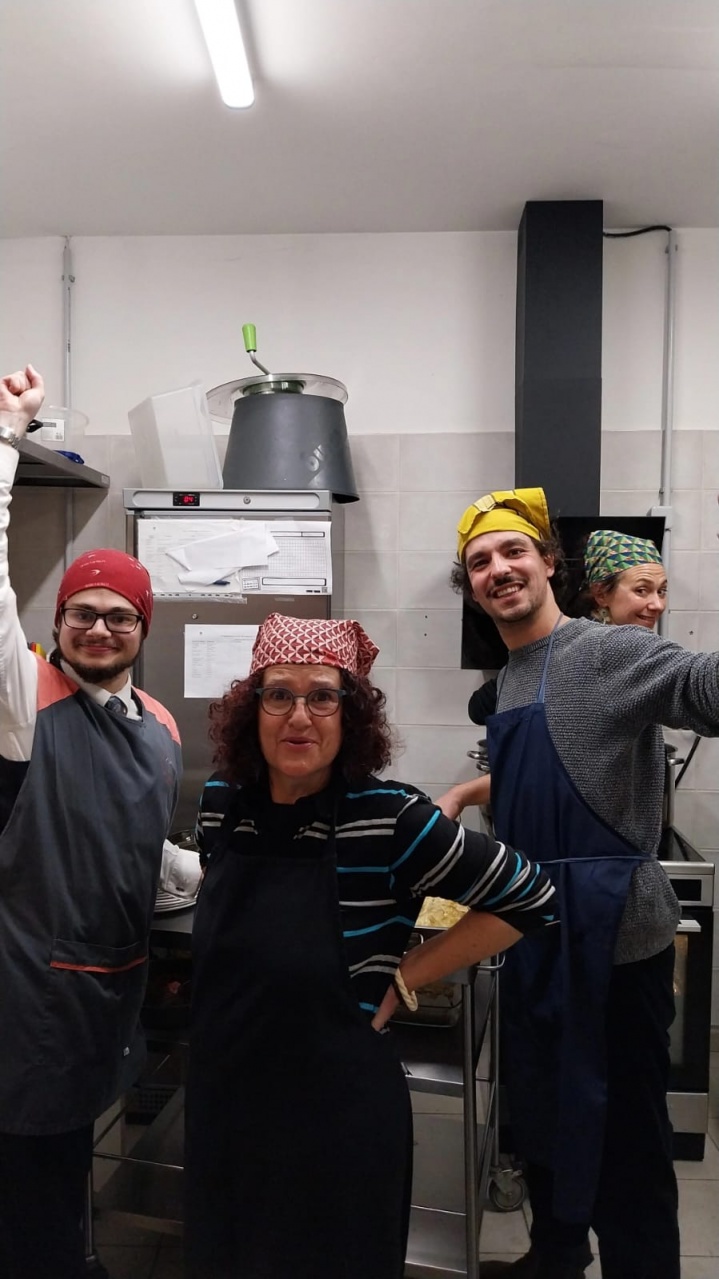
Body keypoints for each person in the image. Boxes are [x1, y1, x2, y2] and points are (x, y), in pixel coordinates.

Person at [184, 612, 558, 1279]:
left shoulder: (390, 817)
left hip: (337, 1116)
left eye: (323, 696)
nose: (300, 716)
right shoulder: (222, 800)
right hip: (227, 1097)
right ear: (252, 708)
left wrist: (409, 974)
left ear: (351, 714)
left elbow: (530, 896)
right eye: (279, 694)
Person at [446, 486, 719, 1279]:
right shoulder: (510, 678)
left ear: (547, 563)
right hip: (533, 933)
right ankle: (556, 1255)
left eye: (512, 551)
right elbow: (549, 773)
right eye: (479, 561)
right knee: (542, 1119)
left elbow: (702, 687)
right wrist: (464, 793)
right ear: (470, 587)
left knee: (627, 1145)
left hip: (615, 943)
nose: (498, 568)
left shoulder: (607, 651)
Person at [0, 366, 182, 1279]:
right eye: (81, 613)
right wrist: (7, 437)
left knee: (71, 1154)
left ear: (143, 627)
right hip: (27, 995)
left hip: (111, 986)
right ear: (57, 619)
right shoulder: (24, 701)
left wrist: (191, 868)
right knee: (27, 1171)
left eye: (118, 615)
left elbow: (137, 835)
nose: (98, 629)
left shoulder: (161, 725)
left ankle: (71, 1255)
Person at [439, 524, 668, 822]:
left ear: (549, 562)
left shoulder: (625, 652)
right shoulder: (570, 657)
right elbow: (537, 771)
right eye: (641, 590)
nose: (657, 605)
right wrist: (460, 795)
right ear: (601, 593)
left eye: (662, 591)